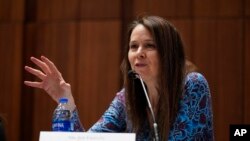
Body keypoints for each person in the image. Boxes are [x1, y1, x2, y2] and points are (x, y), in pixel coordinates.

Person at [24, 15, 214, 140]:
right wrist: (66, 101)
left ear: (169, 52)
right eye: (133, 47)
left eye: (149, 45)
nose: (139, 53)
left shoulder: (192, 85)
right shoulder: (127, 98)